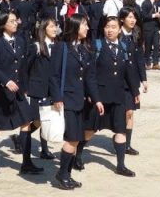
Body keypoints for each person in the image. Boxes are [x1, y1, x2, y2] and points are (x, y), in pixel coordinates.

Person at [0, 12, 42, 175]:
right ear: (3, 24)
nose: (16, 23)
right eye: (12, 21)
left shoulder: (21, 41)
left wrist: (24, 86)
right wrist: (6, 81)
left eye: (16, 20)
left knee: (26, 123)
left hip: (18, 91)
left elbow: (23, 66)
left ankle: (26, 163)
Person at [84, 16, 141, 177]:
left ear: (119, 29)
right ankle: (78, 154)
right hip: (100, 96)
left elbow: (129, 71)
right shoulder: (97, 46)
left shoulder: (124, 46)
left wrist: (134, 92)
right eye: (107, 27)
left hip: (118, 95)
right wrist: (92, 95)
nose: (110, 30)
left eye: (113, 27)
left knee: (120, 130)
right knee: (90, 130)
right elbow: (90, 74)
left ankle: (120, 165)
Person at [50, 14, 95, 190]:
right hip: (66, 100)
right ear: (75, 26)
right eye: (84, 24)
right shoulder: (61, 47)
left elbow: (88, 77)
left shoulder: (84, 49)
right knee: (72, 138)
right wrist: (57, 98)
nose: (87, 28)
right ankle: (62, 174)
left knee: (76, 139)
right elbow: (53, 75)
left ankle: (67, 174)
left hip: (80, 99)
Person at [26, 19, 60, 161]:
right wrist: (25, 87)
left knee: (46, 120)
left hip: (51, 89)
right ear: (44, 28)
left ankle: (44, 149)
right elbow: (26, 67)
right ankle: (23, 137)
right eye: (51, 26)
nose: (55, 29)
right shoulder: (36, 46)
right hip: (37, 87)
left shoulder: (58, 46)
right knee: (37, 119)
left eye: (56, 26)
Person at [118, 7, 148, 155]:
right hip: (119, 81)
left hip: (133, 80)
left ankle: (126, 144)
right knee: (121, 112)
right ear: (122, 19)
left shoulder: (136, 35)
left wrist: (144, 79)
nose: (133, 20)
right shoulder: (117, 35)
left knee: (130, 112)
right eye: (129, 17)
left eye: (134, 17)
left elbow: (140, 59)